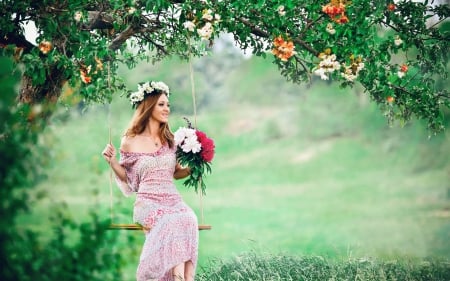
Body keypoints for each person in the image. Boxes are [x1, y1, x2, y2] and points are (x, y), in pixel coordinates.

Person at [102, 81, 198, 281]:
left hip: (173, 200)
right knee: (171, 221)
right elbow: (128, 177)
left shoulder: (170, 139)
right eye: (161, 104)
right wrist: (111, 161)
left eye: (168, 105)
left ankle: (180, 278)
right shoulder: (130, 140)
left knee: (188, 217)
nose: (167, 109)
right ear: (149, 106)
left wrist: (193, 168)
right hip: (148, 202)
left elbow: (176, 172)